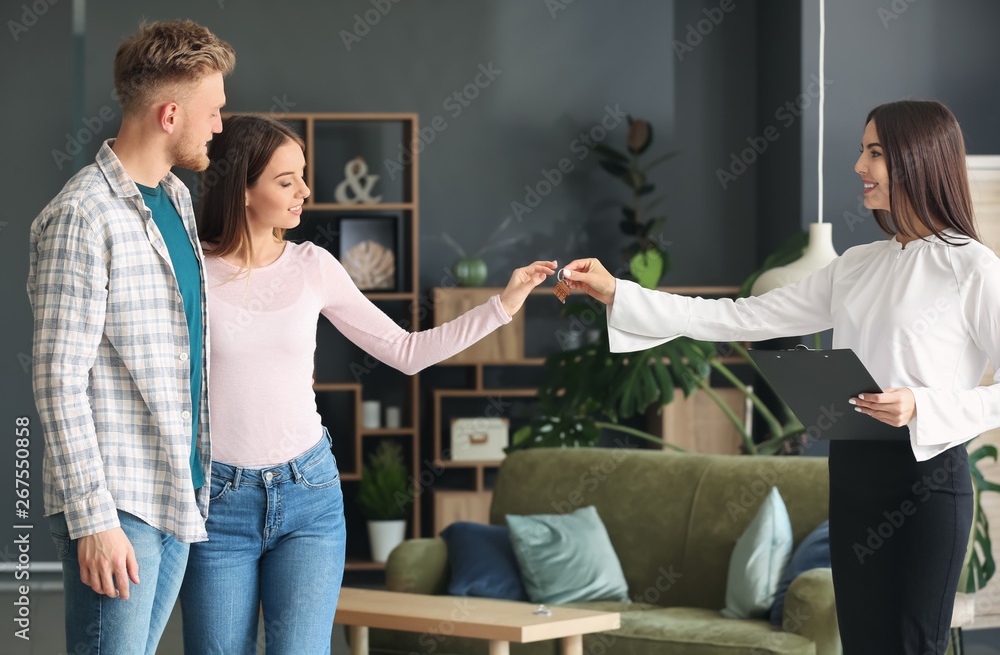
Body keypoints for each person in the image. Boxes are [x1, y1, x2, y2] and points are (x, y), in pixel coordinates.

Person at [561, 99, 995, 655]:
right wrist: (621, 293)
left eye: (875, 153)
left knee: (912, 647)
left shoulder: (972, 267)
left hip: (928, 483)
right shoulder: (858, 264)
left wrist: (923, 405)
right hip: (855, 473)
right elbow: (743, 315)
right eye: (863, 152)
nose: (860, 167)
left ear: (919, 159)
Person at [179, 113, 556, 654]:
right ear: (242, 189)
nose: (305, 191)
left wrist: (503, 305)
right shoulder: (188, 269)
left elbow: (405, 351)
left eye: (303, 175)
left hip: (307, 493)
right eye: (286, 181)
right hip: (217, 501)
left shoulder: (313, 267)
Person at [26, 20, 234, 653]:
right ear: (171, 114)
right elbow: (57, 380)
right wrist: (93, 518)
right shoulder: (81, 215)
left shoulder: (176, 198)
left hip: (176, 487)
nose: (220, 126)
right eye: (214, 111)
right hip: (117, 504)